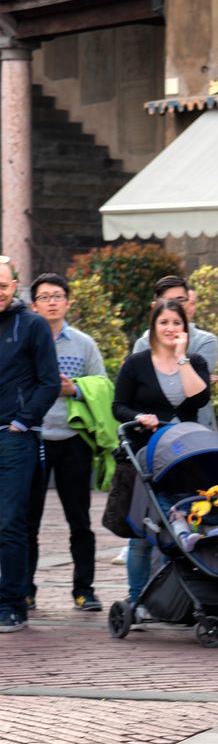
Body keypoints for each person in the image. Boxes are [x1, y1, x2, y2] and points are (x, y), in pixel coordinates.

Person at [113, 300, 210, 603]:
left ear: (185, 327)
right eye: (164, 323)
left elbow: (199, 400)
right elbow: (118, 406)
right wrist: (139, 417)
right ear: (153, 327)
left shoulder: (195, 361)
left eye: (176, 323)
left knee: (184, 525)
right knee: (144, 532)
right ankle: (137, 599)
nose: (170, 329)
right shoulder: (136, 363)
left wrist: (181, 358)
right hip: (146, 456)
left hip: (184, 457)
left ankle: (177, 599)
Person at [26, 273, 108, 612]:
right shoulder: (24, 340)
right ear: (34, 305)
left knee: (80, 520)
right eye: (44, 297)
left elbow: (102, 383)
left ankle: (84, 590)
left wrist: (75, 388)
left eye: (57, 295)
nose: (51, 302)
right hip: (35, 437)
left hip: (75, 440)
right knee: (27, 520)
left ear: (68, 302)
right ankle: (24, 589)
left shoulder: (83, 343)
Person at [0, 257, 60, 632]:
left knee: (10, 523)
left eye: (3, 286)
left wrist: (24, 421)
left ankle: (11, 603)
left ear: (14, 286)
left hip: (14, 437)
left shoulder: (33, 324)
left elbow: (49, 381)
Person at [134, 275, 218, 432]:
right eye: (168, 300)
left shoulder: (206, 341)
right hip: (154, 431)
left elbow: (196, 394)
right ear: (155, 307)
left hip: (198, 429)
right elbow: (137, 392)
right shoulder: (143, 344)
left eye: (181, 300)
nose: (175, 306)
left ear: (189, 302)